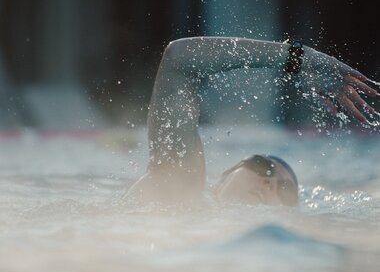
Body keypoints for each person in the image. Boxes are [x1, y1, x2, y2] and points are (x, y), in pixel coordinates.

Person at [124, 37, 378, 206]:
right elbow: (179, 60)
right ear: (223, 176)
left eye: (285, 190)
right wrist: (298, 58)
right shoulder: (177, 189)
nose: (269, 182)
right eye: (262, 166)